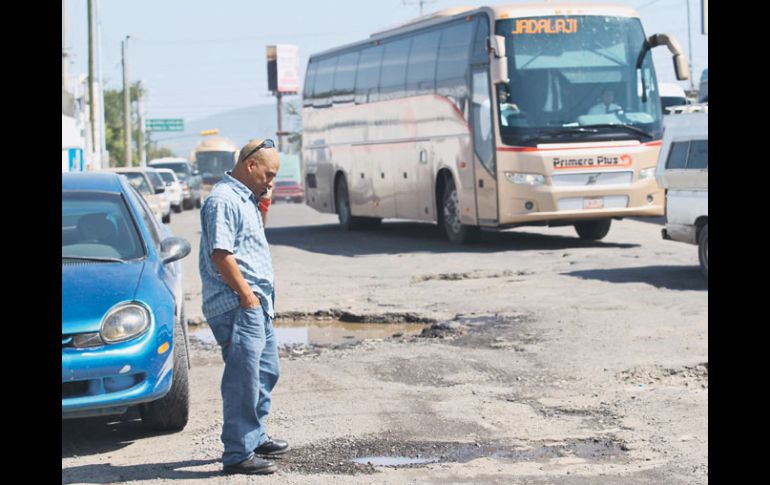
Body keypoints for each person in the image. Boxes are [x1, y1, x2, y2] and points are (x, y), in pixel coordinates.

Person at [198, 138, 287, 475]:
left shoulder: (245, 199)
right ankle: (238, 453)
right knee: (243, 379)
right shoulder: (222, 200)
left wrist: (263, 204)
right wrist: (247, 296)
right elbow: (221, 254)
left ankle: (255, 436)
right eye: (268, 174)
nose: (271, 182)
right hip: (237, 304)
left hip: (254, 305)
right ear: (250, 166)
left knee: (266, 371)